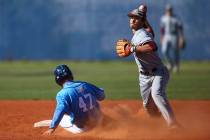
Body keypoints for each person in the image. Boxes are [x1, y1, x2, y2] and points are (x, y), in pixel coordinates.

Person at [115, 4, 179, 128]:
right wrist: (144, 16)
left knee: (157, 93)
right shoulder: (141, 33)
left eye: (136, 18)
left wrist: (132, 48)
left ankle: (173, 124)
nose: (132, 20)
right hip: (144, 77)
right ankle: (158, 127)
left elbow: (152, 46)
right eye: (131, 17)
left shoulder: (141, 35)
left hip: (158, 73)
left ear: (141, 22)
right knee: (149, 108)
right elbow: (151, 32)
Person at [43, 64, 105, 135]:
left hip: (83, 129)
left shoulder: (62, 94)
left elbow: (60, 111)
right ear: (70, 75)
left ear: (57, 79)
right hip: (98, 123)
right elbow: (102, 96)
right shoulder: (85, 84)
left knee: (63, 117)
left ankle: (54, 125)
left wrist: (52, 128)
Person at [160, 4, 185, 73]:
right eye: (168, 10)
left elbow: (180, 28)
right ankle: (170, 63)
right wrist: (162, 37)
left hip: (174, 35)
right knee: (164, 51)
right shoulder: (163, 18)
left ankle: (176, 66)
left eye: (170, 10)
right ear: (166, 10)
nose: (169, 11)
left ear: (172, 10)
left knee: (175, 51)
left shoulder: (176, 18)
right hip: (166, 35)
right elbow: (162, 29)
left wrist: (181, 38)